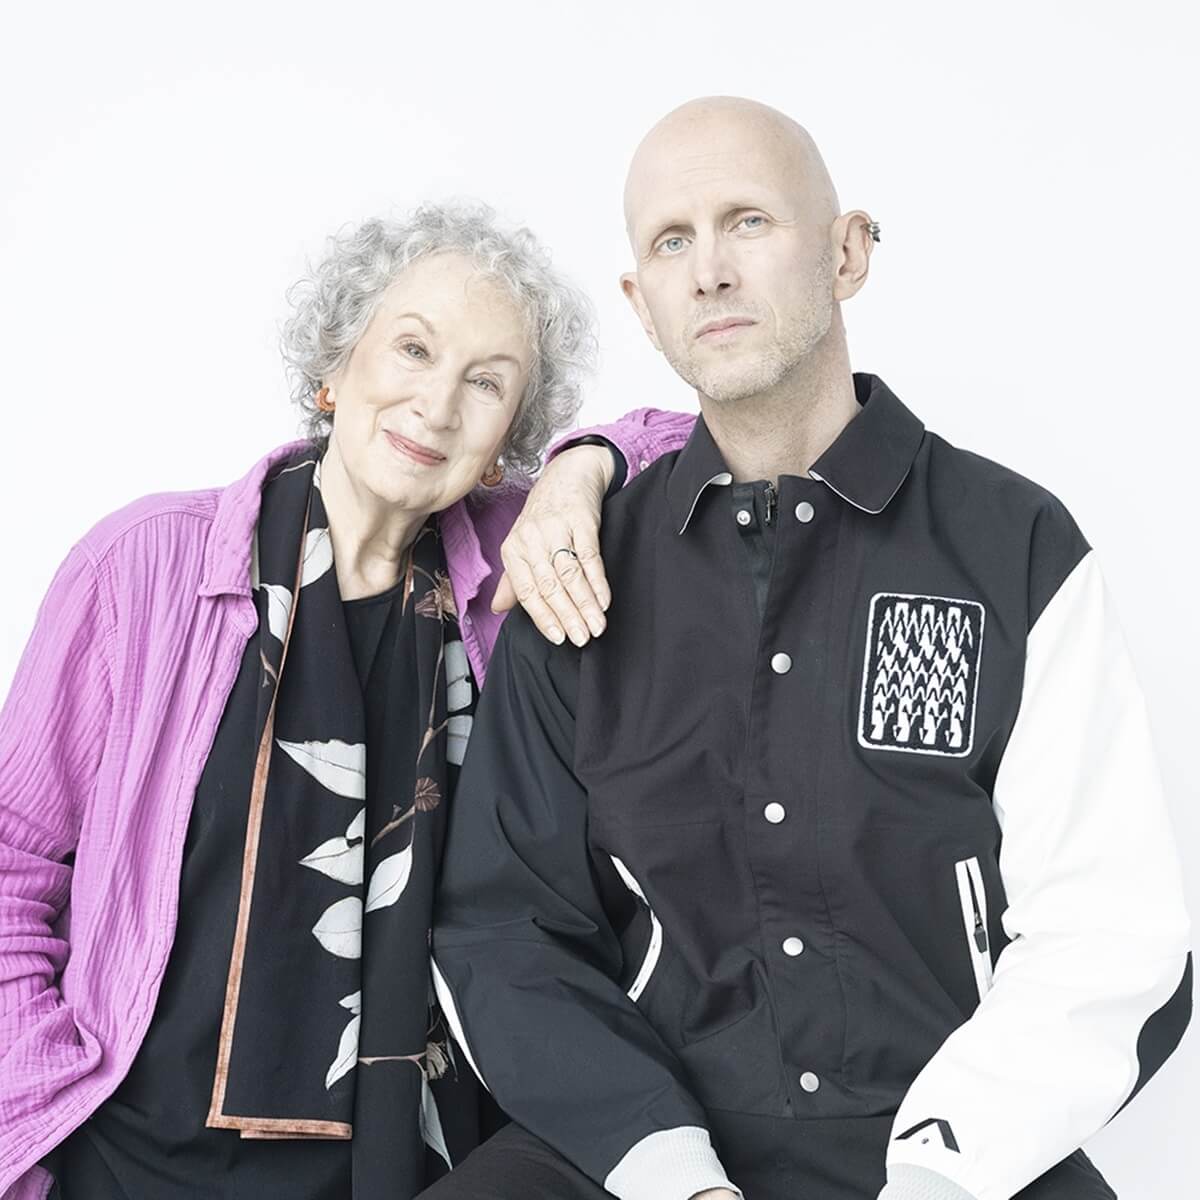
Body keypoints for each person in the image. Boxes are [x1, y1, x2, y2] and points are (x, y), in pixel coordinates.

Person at [426, 98, 1193, 1200]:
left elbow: (1111, 932)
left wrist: (943, 1174)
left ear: (848, 251)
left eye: (749, 221)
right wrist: (670, 1174)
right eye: (672, 242)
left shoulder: (1013, 547)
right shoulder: (580, 569)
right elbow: (505, 930)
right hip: (645, 1151)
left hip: (958, 1147)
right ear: (642, 305)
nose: (711, 272)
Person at [0, 201, 694, 1200]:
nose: (437, 404)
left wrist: (584, 468)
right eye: (413, 348)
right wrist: (35, 1130)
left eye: (486, 382)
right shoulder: (146, 565)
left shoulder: (506, 585)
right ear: (336, 368)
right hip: (124, 1165)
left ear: (507, 443)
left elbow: (696, 442)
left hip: (409, 1175)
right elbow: (13, 864)